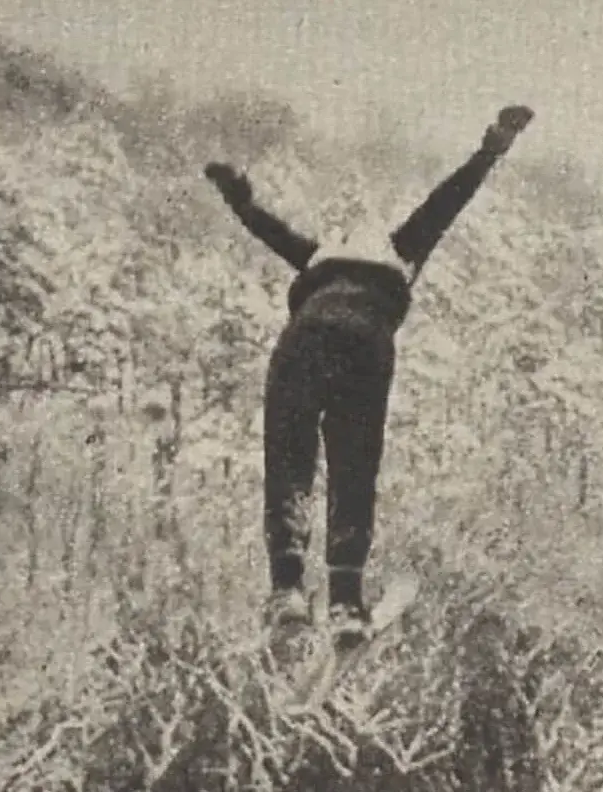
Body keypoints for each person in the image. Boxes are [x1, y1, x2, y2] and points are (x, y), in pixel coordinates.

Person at [204, 105, 535, 652]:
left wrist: (237, 194)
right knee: (353, 468)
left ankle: (287, 589)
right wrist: (493, 147)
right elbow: (448, 200)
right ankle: (344, 599)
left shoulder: (316, 259)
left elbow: (266, 227)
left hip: (303, 342)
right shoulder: (398, 250)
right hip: (365, 348)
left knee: (289, 460)